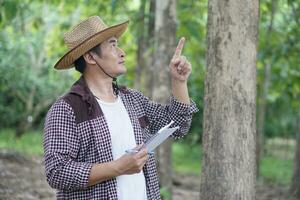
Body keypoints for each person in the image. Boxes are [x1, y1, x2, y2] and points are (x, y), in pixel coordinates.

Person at [43, 16, 198, 200]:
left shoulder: (132, 99)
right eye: (113, 45)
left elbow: (179, 126)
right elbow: (57, 172)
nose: (122, 52)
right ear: (90, 57)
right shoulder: (67, 109)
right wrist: (118, 167)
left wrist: (179, 82)